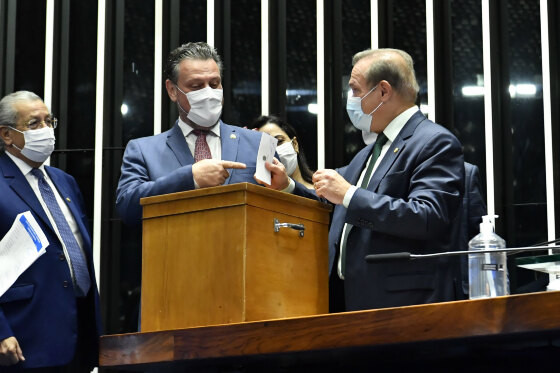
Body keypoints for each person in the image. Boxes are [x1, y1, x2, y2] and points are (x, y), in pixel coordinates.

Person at [264, 48, 465, 311]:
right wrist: (288, 187)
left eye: (355, 90)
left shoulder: (434, 142)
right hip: (348, 300)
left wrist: (349, 193)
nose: (351, 100)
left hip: (402, 305)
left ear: (383, 91)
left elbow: (427, 216)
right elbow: (334, 206)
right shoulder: (368, 152)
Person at [0, 91, 101, 371]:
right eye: (34, 124)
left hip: (78, 332)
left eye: (49, 121)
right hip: (24, 336)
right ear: (7, 135)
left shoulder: (65, 182)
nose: (45, 130)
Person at [116, 42, 266, 226]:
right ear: (172, 90)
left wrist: (286, 187)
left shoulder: (258, 143)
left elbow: (289, 209)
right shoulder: (143, 150)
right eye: (196, 86)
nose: (208, 93)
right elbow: (127, 208)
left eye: (214, 84)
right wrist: (190, 178)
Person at [251, 115, 314, 189]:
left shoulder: (322, 192)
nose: (274, 151)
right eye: (265, 147)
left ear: (295, 144)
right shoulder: (257, 197)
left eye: (279, 141)